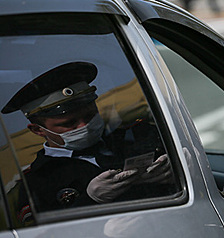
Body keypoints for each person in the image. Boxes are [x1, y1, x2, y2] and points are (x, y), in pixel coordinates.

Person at [1, 62, 172, 225]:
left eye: (90, 115)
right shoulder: (35, 182)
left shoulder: (140, 134)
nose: (85, 126)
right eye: (70, 123)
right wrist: (90, 201)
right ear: (38, 130)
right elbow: (44, 233)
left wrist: (176, 173)